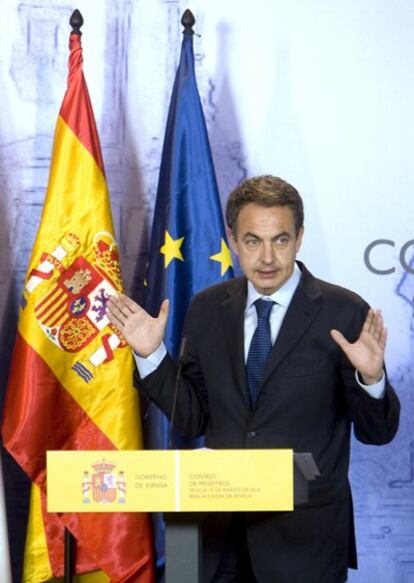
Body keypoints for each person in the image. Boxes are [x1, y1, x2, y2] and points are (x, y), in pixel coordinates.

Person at [107, 175, 400, 583]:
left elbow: (378, 432)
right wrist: (151, 354)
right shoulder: (208, 308)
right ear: (232, 238)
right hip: (211, 537)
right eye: (252, 241)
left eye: (280, 240)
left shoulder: (344, 312)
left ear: (299, 238)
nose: (266, 257)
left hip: (303, 545)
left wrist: (371, 378)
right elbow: (192, 419)